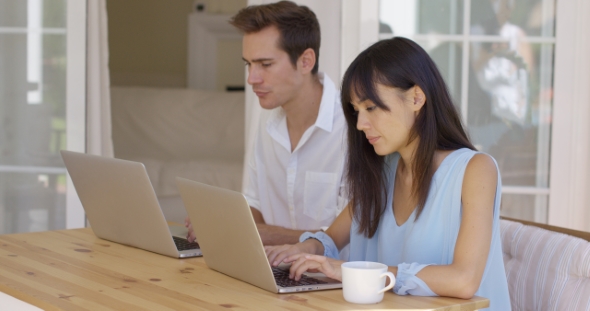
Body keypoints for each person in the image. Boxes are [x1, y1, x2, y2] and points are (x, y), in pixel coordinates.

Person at [265, 37, 511, 309]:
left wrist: (360, 273)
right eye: (356, 110)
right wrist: (302, 250)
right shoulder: (382, 171)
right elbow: (332, 238)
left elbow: (464, 280)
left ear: (416, 97)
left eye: (370, 107)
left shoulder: (476, 170)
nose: (360, 123)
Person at [185, 1, 348, 246]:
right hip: (270, 271)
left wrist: (272, 235)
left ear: (306, 61)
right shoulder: (268, 117)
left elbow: (355, 235)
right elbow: (255, 202)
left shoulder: (353, 127)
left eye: (265, 64)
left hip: (332, 280)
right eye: (248, 64)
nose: (252, 78)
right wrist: (221, 222)